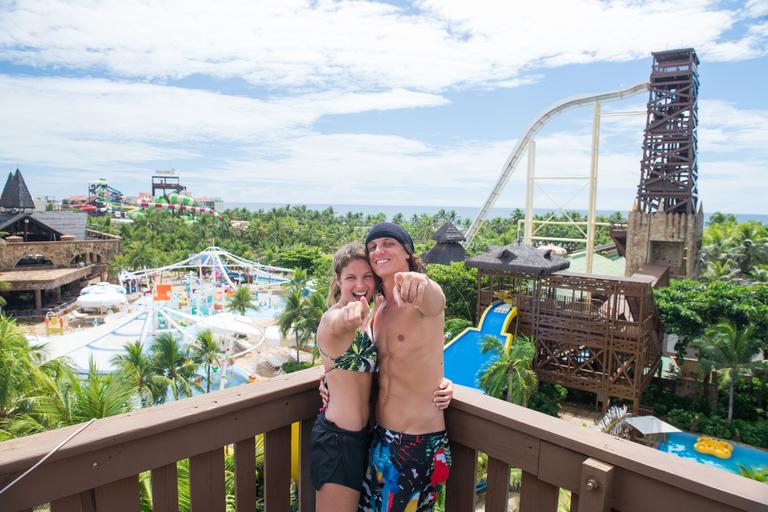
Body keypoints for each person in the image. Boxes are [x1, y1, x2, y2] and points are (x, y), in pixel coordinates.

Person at [310, 243, 452, 512]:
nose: (360, 284)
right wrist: (348, 317)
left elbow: (403, 360)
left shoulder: (374, 317)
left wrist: (445, 381)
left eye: (367, 276)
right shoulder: (335, 317)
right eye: (351, 277)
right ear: (338, 281)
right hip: (338, 441)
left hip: (370, 439)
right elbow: (337, 323)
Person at [360, 222, 451, 512]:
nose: (378, 251)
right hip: (382, 437)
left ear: (407, 253)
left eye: (388, 243)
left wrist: (423, 283)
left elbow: (436, 300)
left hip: (416, 442)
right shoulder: (380, 308)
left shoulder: (419, 298)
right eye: (372, 247)